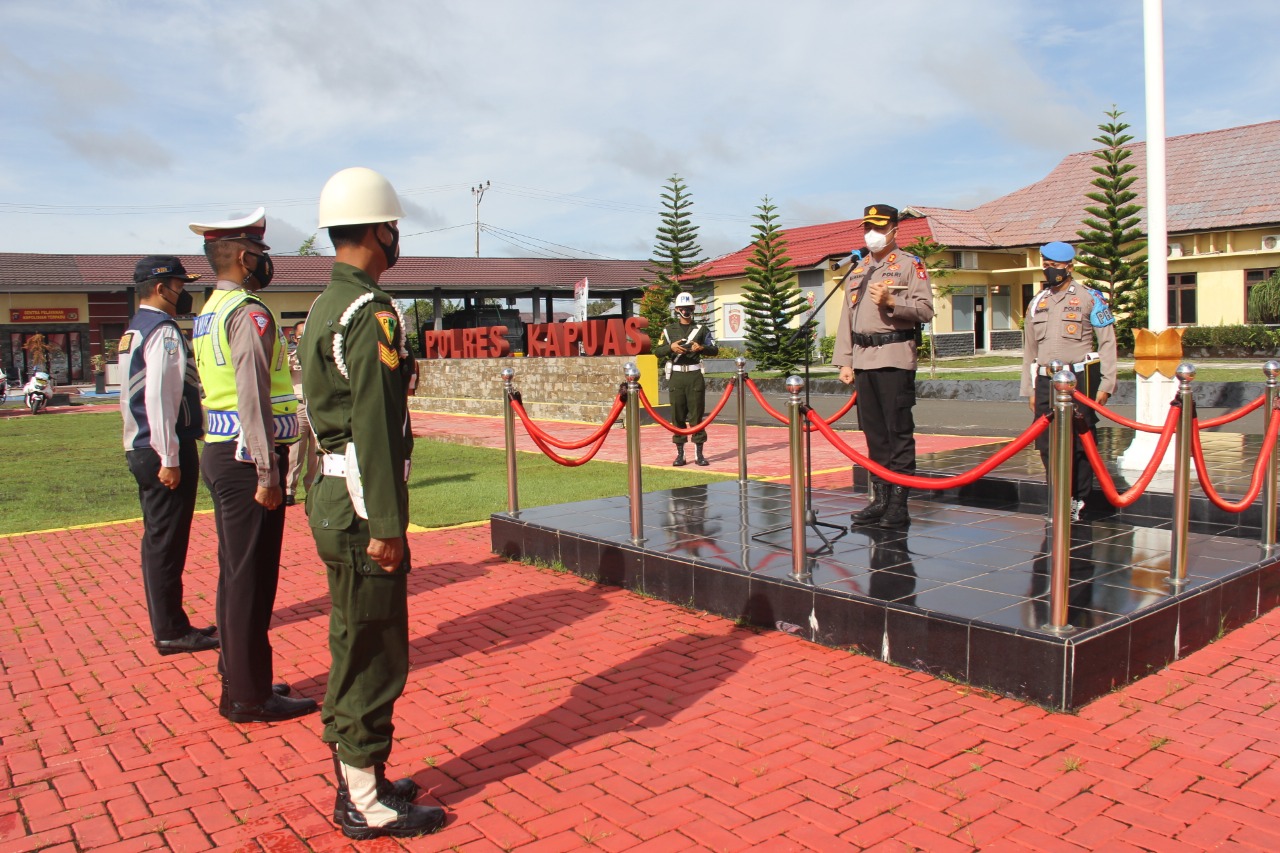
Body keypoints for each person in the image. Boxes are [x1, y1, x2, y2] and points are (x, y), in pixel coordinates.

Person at [301, 167, 444, 839]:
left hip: (331, 493)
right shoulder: (369, 312)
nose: (397, 238)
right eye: (395, 228)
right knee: (375, 648)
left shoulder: (324, 307)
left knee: (349, 635)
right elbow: (377, 429)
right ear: (381, 229)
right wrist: (388, 523)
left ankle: (361, 777)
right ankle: (366, 797)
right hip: (362, 501)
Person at [189, 208, 316, 724]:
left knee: (236, 573)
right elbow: (251, 397)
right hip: (248, 460)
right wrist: (267, 472)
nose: (267, 264)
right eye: (263, 255)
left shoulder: (210, 310)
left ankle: (243, 674)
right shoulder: (249, 312)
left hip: (225, 452)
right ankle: (248, 696)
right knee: (251, 579)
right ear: (245, 257)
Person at [120, 255, 218, 656]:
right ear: (161, 289)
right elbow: (161, 398)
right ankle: (170, 630)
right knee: (167, 542)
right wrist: (170, 457)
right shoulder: (162, 331)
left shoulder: (135, 329)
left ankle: (172, 622)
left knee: (159, 540)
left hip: (142, 446)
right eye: (180, 285)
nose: (185, 293)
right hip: (162, 447)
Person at [833, 204, 935, 527]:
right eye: (867, 227)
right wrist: (845, 361)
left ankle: (899, 506)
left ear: (894, 229)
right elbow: (846, 319)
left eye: (878, 227)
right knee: (874, 434)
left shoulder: (910, 265)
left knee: (897, 433)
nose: (871, 234)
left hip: (894, 358)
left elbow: (926, 309)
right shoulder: (859, 269)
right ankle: (880, 500)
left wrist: (893, 303)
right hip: (863, 361)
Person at [1021, 240, 1118, 522]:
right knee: (1047, 444)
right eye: (1046, 265)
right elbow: (1029, 349)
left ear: (1069, 267)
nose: (1050, 271)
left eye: (1055, 266)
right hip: (1045, 381)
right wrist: (1028, 388)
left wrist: (1107, 383)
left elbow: (1108, 342)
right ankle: (1058, 497)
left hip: (1079, 379)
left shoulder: (1091, 298)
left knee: (1080, 442)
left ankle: (1078, 499)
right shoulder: (1037, 301)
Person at [654, 290, 719, 466]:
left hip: (694, 375)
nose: (686, 311)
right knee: (678, 415)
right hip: (676, 376)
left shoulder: (701, 329)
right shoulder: (668, 330)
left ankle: (699, 454)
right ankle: (680, 454)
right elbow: (657, 352)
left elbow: (715, 349)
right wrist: (671, 347)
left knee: (697, 414)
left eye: (689, 308)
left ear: (694, 308)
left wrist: (701, 348)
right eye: (683, 308)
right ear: (677, 309)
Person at [285, 320, 316, 507]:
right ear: (295, 338)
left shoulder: (319, 354)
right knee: (295, 451)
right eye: (300, 336)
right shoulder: (291, 356)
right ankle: (289, 489)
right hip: (299, 405)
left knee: (317, 452)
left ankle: (313, 488)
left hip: (318, 406)